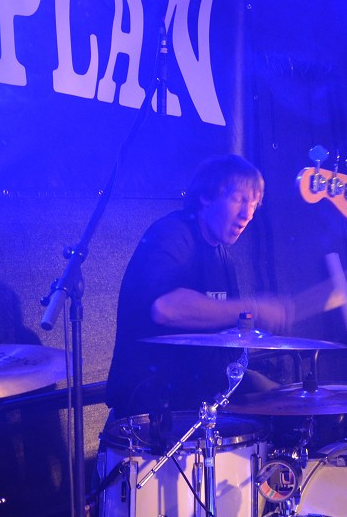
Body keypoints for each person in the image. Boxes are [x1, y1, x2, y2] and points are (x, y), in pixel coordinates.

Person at [105, 154, 288, 419]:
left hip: (205, 393)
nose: (247, 213)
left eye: (254, 203)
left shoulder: (222, 255)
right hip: (154, 405)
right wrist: (253, 308)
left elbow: (228, 324)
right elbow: (165, 308)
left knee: (288, 405)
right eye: (239, 199)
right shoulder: (173, 235)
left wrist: (255, 324)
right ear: (207, 197)